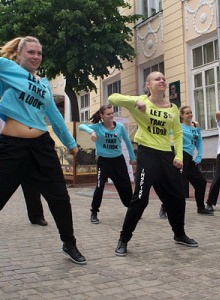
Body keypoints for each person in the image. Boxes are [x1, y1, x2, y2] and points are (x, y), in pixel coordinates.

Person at [0, 34, 86, 287]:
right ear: (19, 54)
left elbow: (54, 117)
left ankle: (69, 243)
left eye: (39, 53)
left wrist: (72, 145)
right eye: (30, 52)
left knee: (60, 199)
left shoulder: (43, 85)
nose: (35, 57)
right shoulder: (7, 69)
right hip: (12, 149)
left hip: (42, 148)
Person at [108, 71, 198, 256]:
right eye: (157, 79)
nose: (162, 80)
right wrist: (135, 102)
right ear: (148, 85)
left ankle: (179, 234)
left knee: (178, 196)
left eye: (164, 78)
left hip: (166, 154)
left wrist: (179, 156)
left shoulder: (173, 108)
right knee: (141, 198)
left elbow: (178, 134)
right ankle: (123, 239)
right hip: (147, 153)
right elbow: (112, 98)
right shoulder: (141, 101)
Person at [79, 104, 136, 224]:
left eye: (112, 113)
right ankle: (94, 212)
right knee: (99, 187)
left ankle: (132, 210)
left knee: (125, 186)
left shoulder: (119, 127)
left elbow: (127, 142)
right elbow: (81, 126)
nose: (111, 116)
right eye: (108, 114)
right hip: (104, 162)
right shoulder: (97, 127)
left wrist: (132, 157)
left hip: (118, 161)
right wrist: (92, 132)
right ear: (102, 116)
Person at [159, 105, 212, 216]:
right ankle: (164, 208)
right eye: (187, 113)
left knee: (201, 182)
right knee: (176, 184)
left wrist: (199, 156)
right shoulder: (177, 126)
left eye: (190, 112)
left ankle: (201, 208)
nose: (190, 115)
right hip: (180, 156)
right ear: (182, 116)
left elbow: (200, 142)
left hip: (189, 158)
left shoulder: (195, 125)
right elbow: (167, 137)